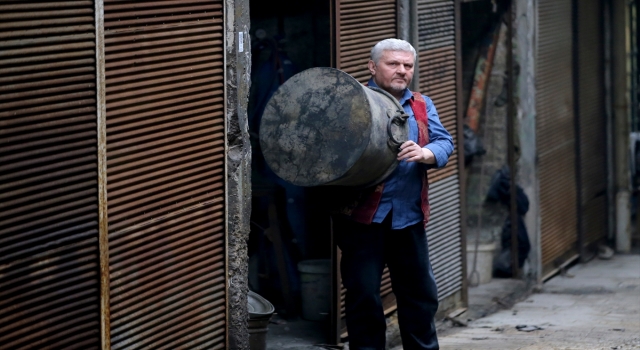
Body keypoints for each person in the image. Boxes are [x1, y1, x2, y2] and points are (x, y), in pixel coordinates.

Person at [334, 38, 454, 350]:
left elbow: (445, 142)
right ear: (372, 66)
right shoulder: (351, 101)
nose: (402, 71)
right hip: (362, 219)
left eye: (408, 65)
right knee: (363, 295)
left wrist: (425, 153)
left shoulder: (421, 104)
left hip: (409, 218)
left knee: (420, 296)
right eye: (393, 64)